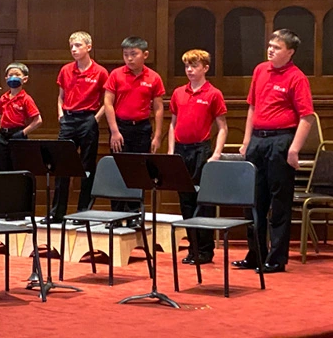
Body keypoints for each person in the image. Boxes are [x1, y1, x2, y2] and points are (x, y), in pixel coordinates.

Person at [234, 29, 314, 274]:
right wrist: (247, 141)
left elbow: (307, 117)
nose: (270, 50)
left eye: (277, 47)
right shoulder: (260, 70)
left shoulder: (296, 77)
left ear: (290, 52)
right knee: (254, 200)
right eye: (270, 45)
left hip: (281, 140)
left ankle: (276, 258)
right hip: (258, 139)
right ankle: (255, 253)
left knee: (279, 203)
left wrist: (294, 149)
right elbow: (252, 107)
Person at [167, 49, 227, 265]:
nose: (190, 70)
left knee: (203, 203)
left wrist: (217, 153)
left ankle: (205, 250)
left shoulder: (213, 94)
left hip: (201, 150)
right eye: (187, 66)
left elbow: (222, 127)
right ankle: (192, 248)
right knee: (186, 202)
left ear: (205, 68)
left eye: (194, 66)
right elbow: (173, 124)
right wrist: (171, 152)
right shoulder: (178, 93)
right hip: (181, 151)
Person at [47, 31, 109, 224]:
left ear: (88, 47)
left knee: (86, 167)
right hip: (68, 119)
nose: (74, 49)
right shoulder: (66, 70)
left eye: (78, 45)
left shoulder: (100, 72)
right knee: (62, 166)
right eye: (71, 46)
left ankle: (83, 213)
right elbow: (61, 96)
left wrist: (95, 119)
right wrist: (60, 114)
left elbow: (107, 101)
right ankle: (57, 213)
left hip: (88, 120)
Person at [103, 36, 165, 224]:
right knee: (118, 170)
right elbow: (108, 102)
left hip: (142, 128)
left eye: (133, 54)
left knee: (139, 172)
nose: (129, 59)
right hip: (120, 128)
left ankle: (134, 213)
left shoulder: (153, 77)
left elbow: (158, 107)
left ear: (145, 55)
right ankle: (116, 215)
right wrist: (114, 131)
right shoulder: (116, 74)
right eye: (126, 55)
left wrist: (157, 135)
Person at [0, 62, 42, 171]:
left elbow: (38, 120)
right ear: (6, 78)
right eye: (10, 75)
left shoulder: (26, 99)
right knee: (2, 167)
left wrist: (22, 133)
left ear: (24, 79)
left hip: (17, 134)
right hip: (2, 136)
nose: (13, 77)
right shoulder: (3, 98)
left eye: (17, 75)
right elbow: (0, 116)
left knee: (17, 168)